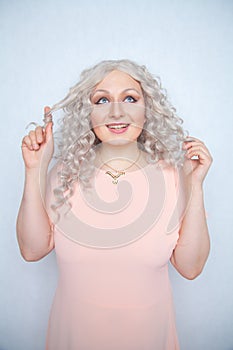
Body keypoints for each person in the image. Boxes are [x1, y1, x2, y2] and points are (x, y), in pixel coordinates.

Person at [16, 59, 212, 350]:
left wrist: (195, 186)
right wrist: (35, 169)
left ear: (147, 110)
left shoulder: (175, 176)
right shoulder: (65, 174)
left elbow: (190, 268)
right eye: (102, 100)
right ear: (88, 113)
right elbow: (32, 251)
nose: (116, 111)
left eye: (130, 98)